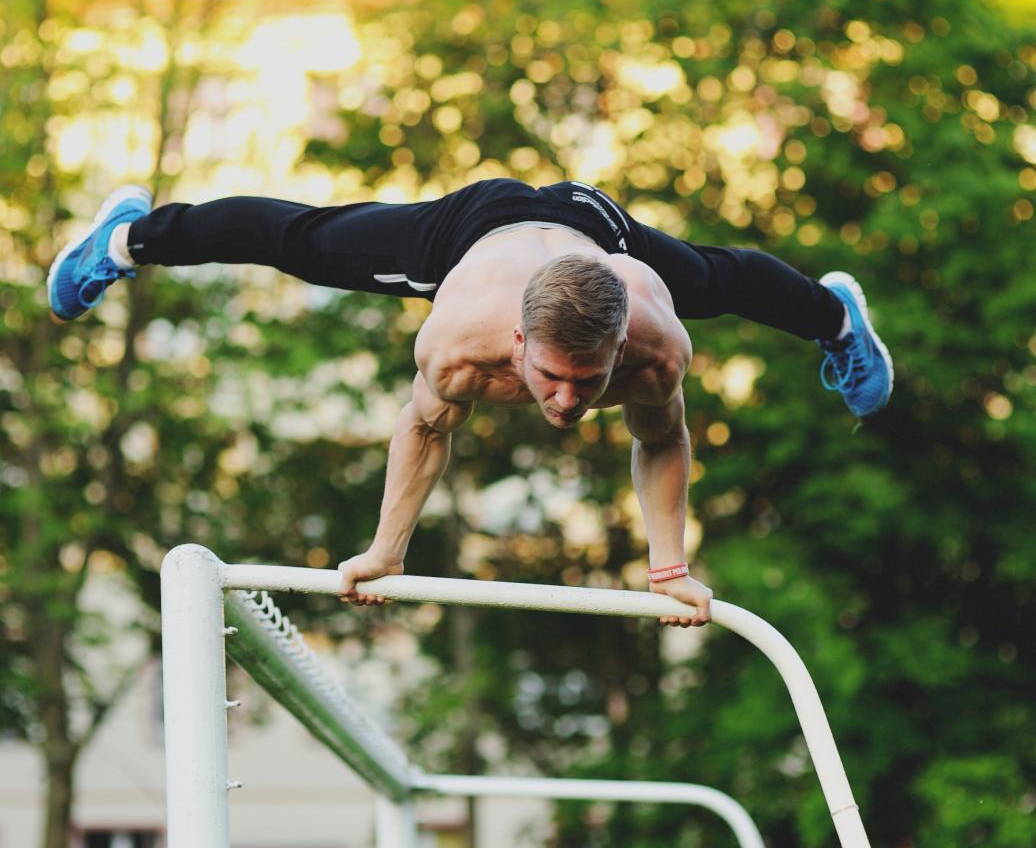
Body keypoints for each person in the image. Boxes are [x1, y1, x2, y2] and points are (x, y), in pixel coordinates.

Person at [47, 178, 893, 626]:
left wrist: (669, 568)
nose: (565, 404)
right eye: (551, 378)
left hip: (597, 233)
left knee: (718, 279)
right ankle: (127, 237)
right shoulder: (456, 347)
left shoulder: (653, 348)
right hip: (471, 232)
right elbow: (423, 427)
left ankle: (838, 317)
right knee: (298, 241)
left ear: (618, 350)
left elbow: (663, 443)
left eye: (586, 382)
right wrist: (385, 551)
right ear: (518, 348)